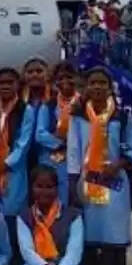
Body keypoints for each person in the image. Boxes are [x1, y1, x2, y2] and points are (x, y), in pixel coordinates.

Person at [68, 66, 132, 265]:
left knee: (114, 245)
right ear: (85, 87)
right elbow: (74, 152)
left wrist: (119, 163)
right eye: (92, 83)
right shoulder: (77, 116)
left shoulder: (122, 116)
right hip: (87, 184)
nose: (97, 87)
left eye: (102, 83)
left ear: (110, 87)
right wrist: (73, 185)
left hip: (115, 186)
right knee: (86, 243)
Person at [0, 68, 36, 217]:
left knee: (13, 208)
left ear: (18, 85)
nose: (5, 86)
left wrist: (4, 165)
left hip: (13, 169)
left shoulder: (26, 110)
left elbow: (23, 143)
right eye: (1, 83)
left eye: (10, 82)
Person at [35, 63, 78, 209]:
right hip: (52, 160)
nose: (65, 81)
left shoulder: (84, 105)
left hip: (78, 159)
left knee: (75, 199)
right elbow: (40, 134)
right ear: (54, 82)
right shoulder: (48, 105)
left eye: (69, 77)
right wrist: (61, 143)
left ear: (77, 80)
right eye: (60, 78)